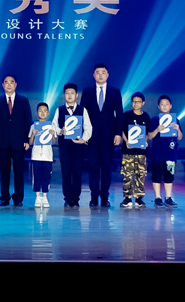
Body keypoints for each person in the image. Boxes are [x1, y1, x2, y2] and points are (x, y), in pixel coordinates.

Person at [80, 63, 124, 207]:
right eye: (97, 72)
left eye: (103, 72)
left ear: (107, 75)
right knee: (93, 167)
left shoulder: (115, 92)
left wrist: (118, 133)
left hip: (109, 136)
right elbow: (82, 114)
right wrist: (84, 134)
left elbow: (119, 114)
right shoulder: (87, 91)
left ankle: (105, 197)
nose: (100, 75)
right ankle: (94, 197)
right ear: (94, 75)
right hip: (91, 136)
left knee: (106, 167)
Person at [0, 75, 31, 206]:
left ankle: (18, 198)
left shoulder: (23, 100)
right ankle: (4, 197)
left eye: (11, 82)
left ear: (16, 84)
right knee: (4, 171)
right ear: (2, 85)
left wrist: (26, 139)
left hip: (19, 141)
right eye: (6, 82)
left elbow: (27, 121)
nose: (9, 84)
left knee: (19, 171)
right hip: (3, 142)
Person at [51, 83, 92, 207]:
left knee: (77, 171)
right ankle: (67, 197)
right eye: (67, 93)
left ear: (76, 95)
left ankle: (76, 198)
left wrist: (84, 139)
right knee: (66, 171)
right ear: (64, 95)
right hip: (64, 145)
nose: (69, 95)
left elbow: (88, 127)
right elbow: (54, 126)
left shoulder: (82, 110)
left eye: (72, 93)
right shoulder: (59, 110)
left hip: (78, 146)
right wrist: (60, 131)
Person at [148, 95, 182, 208]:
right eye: (162, 104)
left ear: (170, 106)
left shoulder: (176, 120)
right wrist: (157, 129)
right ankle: (158, 198)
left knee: (169, 176)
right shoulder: (154, 120)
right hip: (157, 153)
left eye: (166, 104)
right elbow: (150, 136)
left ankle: (168, 197)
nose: (164, 106)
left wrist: (178, 129)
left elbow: (180, 137)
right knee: (156, 176)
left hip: (170, 153)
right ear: (159, 106)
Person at [120, 92, 152, 208]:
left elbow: (147, 133)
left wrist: (145, 141)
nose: (136, 104)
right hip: (128, 151)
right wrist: (126, 141)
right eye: (134, 101)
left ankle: (139, 199)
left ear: (143, 103)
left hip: (141, 152)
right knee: (127, 175)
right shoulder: (126, 115)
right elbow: (121, 130)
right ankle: (127, 198)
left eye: (138, 102)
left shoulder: (146, 116)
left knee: (140, 175)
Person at [28, 102, 55, 208]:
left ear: (48, 113)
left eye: (45, 111)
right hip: (36, 156)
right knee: (36, 177)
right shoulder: (33, 126)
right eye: (40, 111)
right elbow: (30, 142)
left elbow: (54, 141)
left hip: (47, 156)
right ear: (37, 113)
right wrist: (33, 134)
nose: (43, 113)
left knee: (46, 176)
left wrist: (53, 134)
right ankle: (37, 197)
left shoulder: (51, 126)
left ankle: (45, 197)